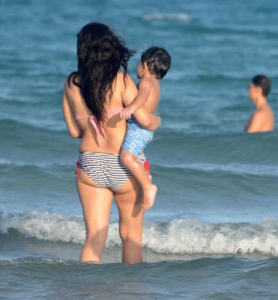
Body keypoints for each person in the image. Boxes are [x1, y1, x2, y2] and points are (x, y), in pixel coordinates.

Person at [62, 23, 161, 264]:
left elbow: (75, 131)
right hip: (123, 165)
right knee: (131, 237)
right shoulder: (121, 80)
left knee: (94, 239)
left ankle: (88, 290)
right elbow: (143, 120)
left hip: (90, 165)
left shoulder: (71, 84)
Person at [119, 47, 171, 211]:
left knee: (126, 157)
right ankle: (144, 174)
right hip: (143, 130)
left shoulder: (146, 82)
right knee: (132, 157)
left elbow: (141, 97)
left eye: (139, 63)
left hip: (138, 129)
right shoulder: (155, 83)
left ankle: (148, 186)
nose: (138, 67)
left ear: (145, 65)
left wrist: (131, 108)